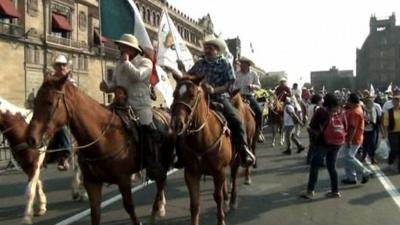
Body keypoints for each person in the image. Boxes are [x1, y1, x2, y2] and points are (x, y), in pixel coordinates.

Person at [179, 37, 255, 167]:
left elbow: (230, 83)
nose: (207, 50)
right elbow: (189, 79)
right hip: (199, 99)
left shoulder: (225, 63)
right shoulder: (199, 63)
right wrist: (182, 69)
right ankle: (179, 155)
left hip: (219, 97)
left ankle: (243, 150)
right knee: (180, 118)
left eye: (211, 48)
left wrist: (214, 90)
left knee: (236, 119)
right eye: (206, 48)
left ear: (217, 50)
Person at [99, 34, 163, 180]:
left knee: (148, 131)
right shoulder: (119, 64)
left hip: (140, 106)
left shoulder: (145, 62)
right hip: (121, 104)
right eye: (120, 46)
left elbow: (138, 76)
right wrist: (106, 87)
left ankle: (153, 163)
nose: (120, 49)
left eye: (123, 47)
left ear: (132, 49)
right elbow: (115, 84)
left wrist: (127, 63)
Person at [301, 93, 345, 199]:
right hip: (337, 143)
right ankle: (335, 191)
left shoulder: (321, 111)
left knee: (314, 166)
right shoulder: (340, 112)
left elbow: (312, 126)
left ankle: (310, 191)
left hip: (323, 143)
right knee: (332, 166)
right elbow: (345, 127)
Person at [47, 55, 73, 171]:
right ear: (55, 67)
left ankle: (65, 154)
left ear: (66, 67)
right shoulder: (51, 80)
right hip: (52, 111)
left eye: (63, 65)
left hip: (66, 111)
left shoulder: (70, 81)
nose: (61, 67)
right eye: (59, 65)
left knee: (62, 128)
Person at [341, 93, 373, 185]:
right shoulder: (356, 109)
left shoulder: (355, 112)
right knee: (348, 157)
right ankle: (351, 177)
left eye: (348, 101)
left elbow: (352, 127)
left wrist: (349, 140)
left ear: (352, 102)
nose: (347, 102)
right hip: (355, 137)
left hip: (354, 138)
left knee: (348, 157)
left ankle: (364, 171)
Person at [234, 55, 263, 141]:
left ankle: (259, 131)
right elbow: (232, 84)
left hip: (249, 96)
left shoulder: (253, 74)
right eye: (240, 63)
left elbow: (259, 86)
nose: (241, 65)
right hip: (237, 96)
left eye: (243, 63)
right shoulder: (236, 74)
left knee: (259, 111)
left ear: (247, 64)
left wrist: (252, 86)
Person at [382, 89, 400, 173]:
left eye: (398, 101)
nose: (396, 102)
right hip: (392, 133)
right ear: (392, 102)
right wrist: (385, 134)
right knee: (394, 149)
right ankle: (391, 162)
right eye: (395, 101)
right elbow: (385, 124)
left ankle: (397, 166)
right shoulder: (388, 112)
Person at [362, 91, 382, 164]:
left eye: (371, 103)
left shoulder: (374, 110)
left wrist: (373, 123)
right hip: (364, 130)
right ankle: (364, 156)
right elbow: (362, 119)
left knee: (373, 144)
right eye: (369, 103)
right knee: (365, 144)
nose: (370, 104)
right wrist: (366, 121)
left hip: (372, 129)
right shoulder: (363, 110)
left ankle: (372, 158)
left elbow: (377, 119)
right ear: (366, 104)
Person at [306, 94, 323, 164]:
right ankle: (319, 160)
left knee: (312, 144)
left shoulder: (309, 106)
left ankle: (309, 159)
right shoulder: (317, 108)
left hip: (309, 126)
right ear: (318, 100)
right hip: (315, 127)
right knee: (319, 145)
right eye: (321, 99)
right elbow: (319, 118)